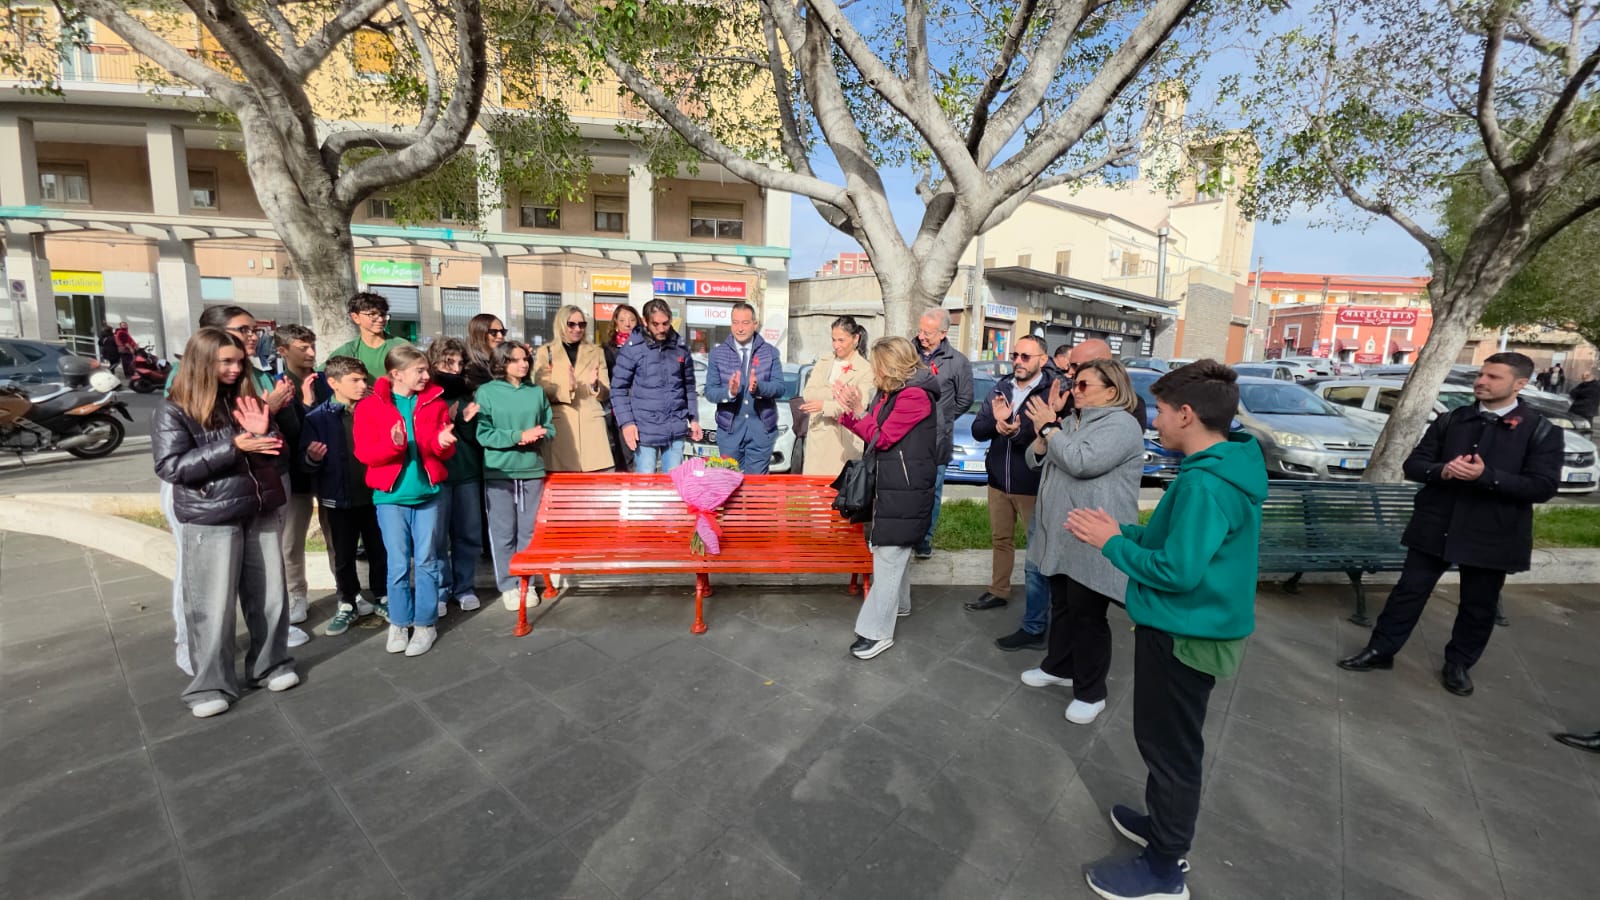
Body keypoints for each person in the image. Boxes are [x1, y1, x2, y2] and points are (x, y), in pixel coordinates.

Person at [1066, 360, 1266, 900]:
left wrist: (1111, 545)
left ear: (1187, 414)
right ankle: (1162, 829)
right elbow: (1174, 543)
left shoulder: (1207, 483)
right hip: (1187, 628)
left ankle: (1163, 867)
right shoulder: (1218, 467)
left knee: (1170, 751)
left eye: (1159, 409)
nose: (1152, 419)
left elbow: (1177, 571)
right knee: (1166, 744)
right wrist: (1121, 531)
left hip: (1185, 634)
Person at [1338, 352, 1563, 696]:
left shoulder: (1541, 430)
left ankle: (1458, 664)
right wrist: (1442, 470)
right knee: (1408, 592)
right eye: (1481, 374)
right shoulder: (1454, 420)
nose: (1482, 381)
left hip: (1493, 533)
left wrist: (1486, 477)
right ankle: (1381, 650)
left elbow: (1543, 486)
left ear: (1520, 384)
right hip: (1436, 523)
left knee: (1478, 604)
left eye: (1493, 377)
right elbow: (1415, 465)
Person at [151, 327, 300, 718]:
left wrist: (266, 433)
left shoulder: (247, 401)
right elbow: (171, 467)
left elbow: (275, 448)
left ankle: (270, 664)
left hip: (260, 507)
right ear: (202, 363)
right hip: (210, 516)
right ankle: (210, 684)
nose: (236, 369)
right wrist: (234, 446)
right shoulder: (173, 410)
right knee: (212, 606)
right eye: (226, 362)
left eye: (239, 361)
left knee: (270, 598)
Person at [1019, 359, 1145, 724]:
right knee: (1062, 605)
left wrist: (1048, 427)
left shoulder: (1120, 424)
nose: (1074, 389)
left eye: (1083, 385)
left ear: (1112, 390)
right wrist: (1045, 437)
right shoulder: (1075, 420)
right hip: (1064, 533)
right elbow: (1035, 459)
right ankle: (1059, 666)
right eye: (1074, 383)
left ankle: (1091, 692)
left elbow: (1081, 461)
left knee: (1088, 615)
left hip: (1094, 536)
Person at [834, 336, 938, 660]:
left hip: (904, 490)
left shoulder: (916, 396)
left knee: (889, 553)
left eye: (877, 367)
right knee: (895, 551)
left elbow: (882, 437)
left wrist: (857, 411)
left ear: (890, 366)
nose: (874, 374)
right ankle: (901, 606)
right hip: (893, 485)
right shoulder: (893, 392)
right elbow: (875, 429)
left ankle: (876, 633)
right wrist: (853, 412)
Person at [353, 344, 457, 657]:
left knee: (426, 560)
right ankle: (399, 622)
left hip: (427, 495)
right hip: (390, 497)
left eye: (426, 370)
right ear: (397, 374)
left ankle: (425, 624)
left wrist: (442, 444)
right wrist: (393, 446)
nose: (427, 376)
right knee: (397, 563)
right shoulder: (370, 407)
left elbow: (443, 450)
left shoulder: (434, 403)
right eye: (420, 371)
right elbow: (364, 453)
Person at [967, 335, 1053, 652]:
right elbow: (978, 429)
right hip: (998, 482)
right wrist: (996, 423)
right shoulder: (1001, 386)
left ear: (1042, 360)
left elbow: (1049, 435)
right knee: (1000, 539)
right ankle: (998, 591)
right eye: (1015, 354)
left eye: (1026, 356)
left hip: (1032, 485)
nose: (1018, 360)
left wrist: (1016, 432)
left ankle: (1039, 615)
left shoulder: (1051, 392)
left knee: (1038, 551)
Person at [301, 355, 389, 635]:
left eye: (364, 379)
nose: (363, 385)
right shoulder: (317, 418)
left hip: (374, 496)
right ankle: (347, 601)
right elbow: (304, 463)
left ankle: (383, 596)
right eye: (355, 380)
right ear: (333, 383)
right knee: (343, 554)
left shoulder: (375, 410)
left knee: (379, 549)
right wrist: (312, 459)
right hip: (337, 499)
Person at [475, 341, 555, 610]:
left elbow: (550, 426)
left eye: (525, 360)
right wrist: (517, 436)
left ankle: (527, 582)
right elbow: (483, 433)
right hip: (499, 470)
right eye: (516, 360)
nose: (523, 364)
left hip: (532, 468)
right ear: (501, 363)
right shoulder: (486, 392)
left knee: (529, 531)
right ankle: (508, 585)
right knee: (502, 532)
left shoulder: (536, 392)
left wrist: (541, 434)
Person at [427, 338, 485, 616]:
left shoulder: (469, 393)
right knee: (437, 538)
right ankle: (440, 590)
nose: (455, 368)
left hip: (467, 473)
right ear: (435, 362)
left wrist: (467, 421)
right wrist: (449, 418)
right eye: (448, 362)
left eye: (460, 363)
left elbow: (478, 438)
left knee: (468, 534)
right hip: (436, 476)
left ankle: (464, 587)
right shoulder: (427, 394)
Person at [610, 298, 701, 473]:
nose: (661, 329)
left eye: (666, 323)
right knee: (645, 488)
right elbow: (618, 389)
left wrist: (694, 418)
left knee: (673, 488)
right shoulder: (632, 348)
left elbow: (688, 386)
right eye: (656, 324)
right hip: (644, 432)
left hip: (675, 430)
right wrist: (627, 423)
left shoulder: (680, 347)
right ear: (645, 321)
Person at [912, 307, 971, 559]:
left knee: (932, 491)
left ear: (944, 333)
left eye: (928, 332)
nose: (921, 336)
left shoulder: (957, 361)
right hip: (906, 436)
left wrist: (943, 419)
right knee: (905, 489)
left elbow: (965, 398)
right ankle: (905, 534)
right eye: (920, 330)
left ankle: (925, 538)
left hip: (938, 439)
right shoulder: (908, 353)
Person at [705, 302, 783, 473]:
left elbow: (779, 387)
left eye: (745, 323)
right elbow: (710, 391)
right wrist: (729, 392)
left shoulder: (770, 353)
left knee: (756, 490)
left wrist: (759, 388)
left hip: (761, 432)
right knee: (730, 486)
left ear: (755, 324)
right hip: (730, 433)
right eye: (735, 322)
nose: (739, 328)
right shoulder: (717, 354)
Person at [535, 305, 614, 473]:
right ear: (561, 324)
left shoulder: (596, 351)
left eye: (582, 324)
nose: (577, 329)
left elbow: (606, 390)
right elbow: (540, 389)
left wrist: (595, 385)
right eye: (572, 324)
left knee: (596, 487)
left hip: (591, 426)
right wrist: (566, 387)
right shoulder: (546, 352)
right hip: (562, 425)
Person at [798, 315, 875, 478]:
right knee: (815, 496)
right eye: (833, 340)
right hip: (818, 438)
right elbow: (809, 393)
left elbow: (857, 405)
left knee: (840, 494)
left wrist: (824, 406)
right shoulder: (824, 361)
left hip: (844, 441)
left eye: (841, 340)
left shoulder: (865, 369)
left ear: (855, 338)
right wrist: (836, 392)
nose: (836, 345)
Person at [328, 292, 409, 381]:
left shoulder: (401, 346)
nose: (380, 319)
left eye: (382, 314)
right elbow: (323, 375)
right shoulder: (348, 351)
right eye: (372, 314)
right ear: (355, 317)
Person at [603, 304, 641, 471]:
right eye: (623, 320)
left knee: (640, 458)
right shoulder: (607, 350)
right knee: (622, 457)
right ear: (615, 323)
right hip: (618, 410)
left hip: (642, 409)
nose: (628, 324)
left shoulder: (646, 347)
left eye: (632, 320)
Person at [464, 313, 508, 389]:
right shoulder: (470, 367)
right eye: (494, 332)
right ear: (480, 333)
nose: (500, 336)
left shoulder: (504, 360)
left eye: (503, 331)